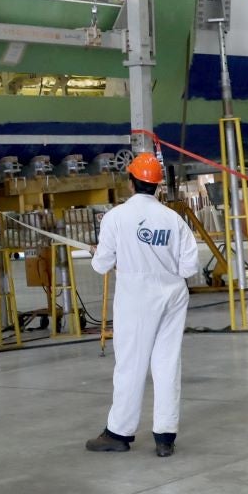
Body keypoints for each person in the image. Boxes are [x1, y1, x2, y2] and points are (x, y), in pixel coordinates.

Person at [86, 153, 199, 458]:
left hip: (137, 296)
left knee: (131, 365)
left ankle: (118, 433)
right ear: (157, 184)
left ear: (131, 181)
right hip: (173, 295)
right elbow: (190, 267)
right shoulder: (173, 219)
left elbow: (101, 265)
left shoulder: (116, 217)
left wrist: (103, 253)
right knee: (167, 362)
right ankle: (165, 437)